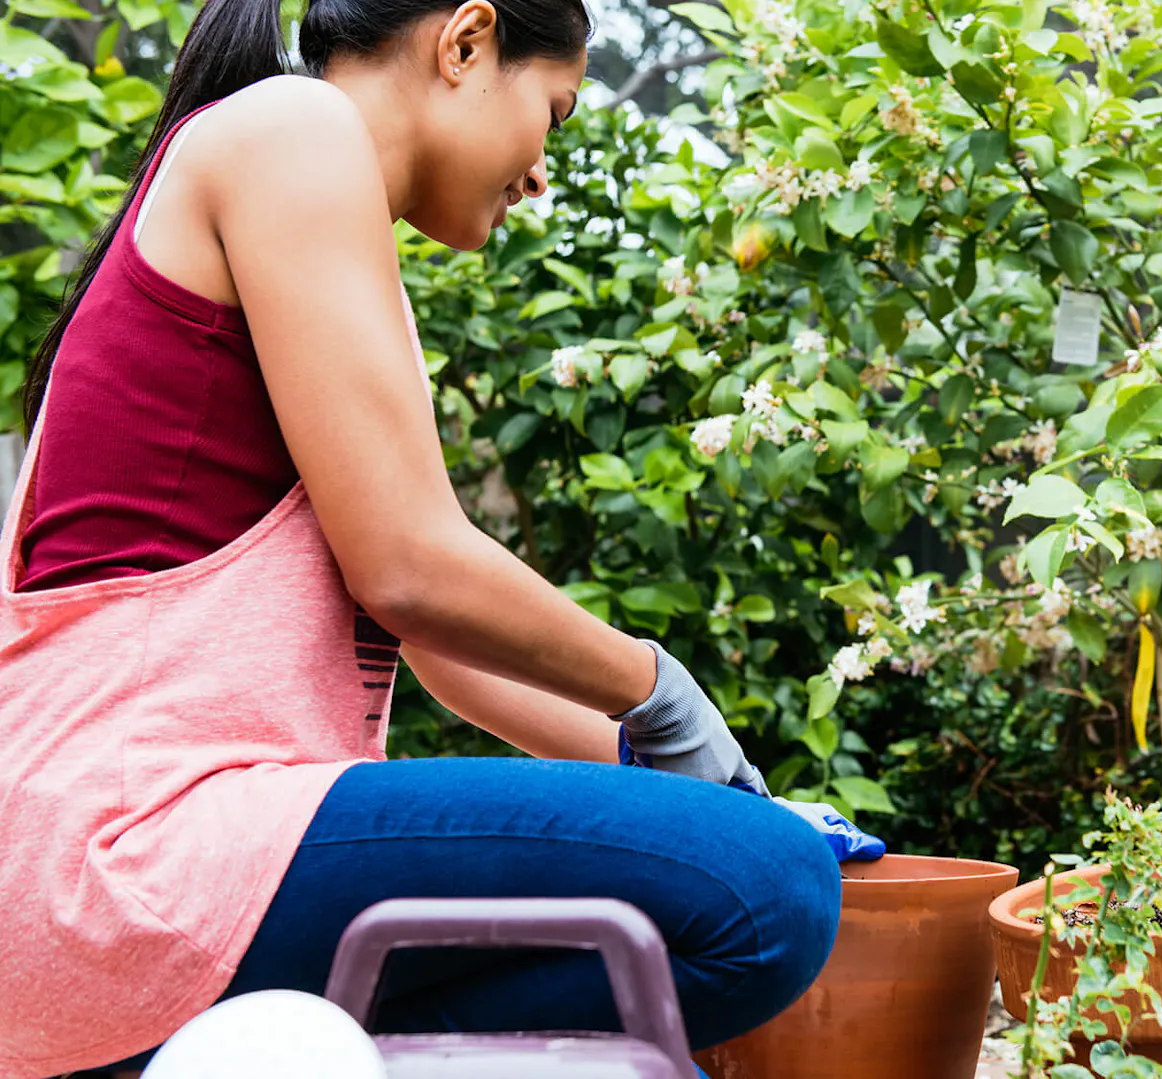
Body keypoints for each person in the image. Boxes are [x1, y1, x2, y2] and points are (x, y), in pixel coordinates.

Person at [0, 1, 880, 1074]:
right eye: (552, 113)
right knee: (762, 891)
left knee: (740, 889)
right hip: (132, 841)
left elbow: (434, 638)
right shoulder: (292, 131)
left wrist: (681, 774)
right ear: (464, 43)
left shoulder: (314, 203)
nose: (542, 173)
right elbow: (411, 566)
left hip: (147, 858)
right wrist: (661, 691)